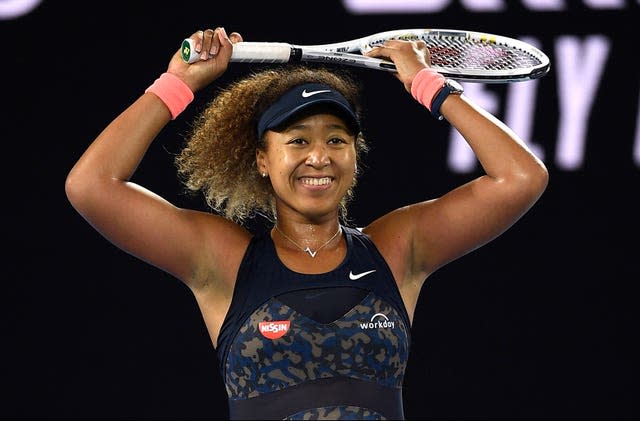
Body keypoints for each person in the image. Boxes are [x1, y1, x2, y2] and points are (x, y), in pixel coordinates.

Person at [65, 27, 548, 420]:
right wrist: (177, 85)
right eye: (297, 141)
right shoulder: (224, 261)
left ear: (355, 158)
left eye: (337, 140)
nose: (319, 156)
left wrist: (428, 84)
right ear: (261, 159)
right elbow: (92, 186)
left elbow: (520, 176)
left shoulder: (399, 248)